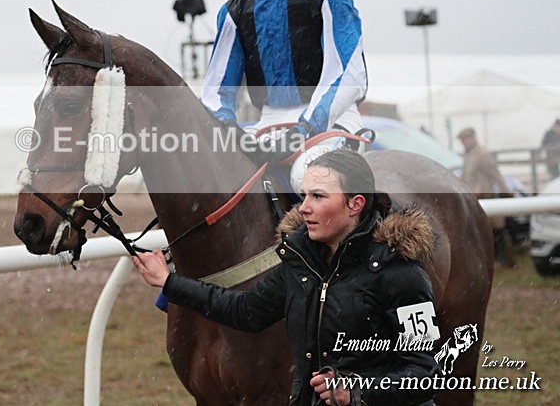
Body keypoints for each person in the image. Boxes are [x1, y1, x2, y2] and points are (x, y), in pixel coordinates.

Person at [133, 149, 439, 405]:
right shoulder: (300, 263)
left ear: (355, 204)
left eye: (318, 196)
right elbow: (246, 311)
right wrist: (169, 282)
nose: (303, 208)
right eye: (304, 195)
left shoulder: (402, 275)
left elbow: (426, 373)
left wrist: (357, 390)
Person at [200, 0, 368, 192]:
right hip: (267, 123)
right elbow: (214, 94)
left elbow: (348, 75)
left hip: (332, 122)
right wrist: (229, 129)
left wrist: (305, 129)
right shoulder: (235, 10)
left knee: (306, 176)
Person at [457, 127, 516, 268]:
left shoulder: (482, 154)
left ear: (472, 138)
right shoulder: (469, 155)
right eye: (462, 140)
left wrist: (507, 192)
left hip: (485, 196)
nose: (463, 142)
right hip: (474, 197)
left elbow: (495, 174)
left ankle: (508, 261)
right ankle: (492, 260)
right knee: (485, 231)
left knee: (497, 230)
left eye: (465, 139)